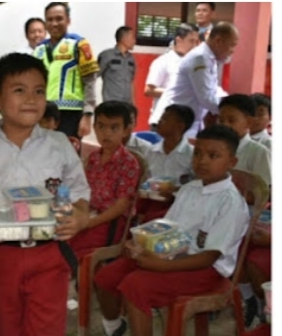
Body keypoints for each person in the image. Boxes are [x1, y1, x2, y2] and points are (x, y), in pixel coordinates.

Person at [0, 52, 90, 336]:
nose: (31, 99)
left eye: (38, 91)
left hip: (49, 253)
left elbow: (77, 191)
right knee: (7, 327)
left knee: (48, 329)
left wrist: (80, 216)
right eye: (19, 90)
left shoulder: (59, 144)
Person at [94, 124, 249, 336]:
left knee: (135, 285)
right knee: (106, 276)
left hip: (205, 270)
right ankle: (115, 328)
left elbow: (209, 257)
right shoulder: (189, 189)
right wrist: (139, 244)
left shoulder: (229, 202)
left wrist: (160, 266)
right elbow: (164, 229)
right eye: (198, 153)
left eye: (213, 156)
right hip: (170, 254)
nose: (202, 160)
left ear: (231, 162)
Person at [68, 101, 140, 261]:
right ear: (94, 128)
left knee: (78, 248)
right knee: (62, 235)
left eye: (114, 128)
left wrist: (91, 222)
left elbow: (121, 206)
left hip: (111, 221)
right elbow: (83, 190)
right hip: (90, 213)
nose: (106, 133)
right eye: (101, 126)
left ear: (126, 130)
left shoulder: (128, 163)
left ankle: (81, 281)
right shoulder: (93, 158)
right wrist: (81, 214)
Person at [153, 22, 238, 139]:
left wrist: (230, 101)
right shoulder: (200, 58)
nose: (232, 50)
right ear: (218, 41)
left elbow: (213, 89)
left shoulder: (208, 58)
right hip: (173, 121)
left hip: (187, 122)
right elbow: (206, 98)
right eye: (232, 45)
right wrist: (231, 111)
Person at [33, 2, 99, 139]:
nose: (54, 23)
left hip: (71, 114)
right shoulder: (39, 49)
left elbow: (90, 82)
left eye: (59, 19)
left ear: (68, 20)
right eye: (50, 20)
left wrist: (87, 115)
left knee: (69, 156)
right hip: (43, 113)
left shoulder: (79, 44)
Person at [138, 104, 195, 223]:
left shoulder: (192, 154)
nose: (159, 121)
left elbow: (196, 184)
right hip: (149, 201)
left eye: (165, 119)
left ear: (180, 126)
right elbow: (144, 177)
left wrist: (174, 192)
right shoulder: (151, 151)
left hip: (178, 205)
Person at [145, 23, 199, 130]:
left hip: (184, 123)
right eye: (191, 41)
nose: (194, 46)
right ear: (179, 40)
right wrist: (176, 91)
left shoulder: (193, 63)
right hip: (162, 120)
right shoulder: (163, 61)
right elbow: (148, 90)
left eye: (196, 41)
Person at [217, 94, 271, 187]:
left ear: (249, 122)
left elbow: (263, 191)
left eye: (231, 120)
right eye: (221, 120)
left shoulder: (258, 152)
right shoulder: (212, 147)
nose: (225, 125)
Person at [98, 26, 137, 104]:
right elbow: (93, 76)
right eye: (132, 37)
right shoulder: (107, 55)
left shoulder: (131, 59)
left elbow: (131, 82)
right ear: (123, 39)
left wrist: (133, 103)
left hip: (127, 104)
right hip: (111, 104)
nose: (134, 41)